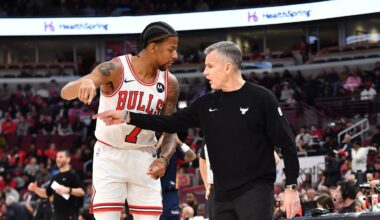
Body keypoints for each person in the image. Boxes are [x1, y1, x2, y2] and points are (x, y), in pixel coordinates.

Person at [93, 41, 301, 219]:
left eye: (210, 66)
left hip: (255, 191)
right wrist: (128, 116)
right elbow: (170, 122)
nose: (205, 72)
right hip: (220, 194)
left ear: (227, 67)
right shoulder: (205, 103)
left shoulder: (262, 98)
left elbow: (287, 144)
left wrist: (291, 187)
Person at [61, 21, 180, 220]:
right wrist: (88, 81)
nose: (175, 56)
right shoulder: (116, 68)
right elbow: (65, 93)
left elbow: (170, 130)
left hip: (145, 157)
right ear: (153, 47)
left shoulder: (170, 83)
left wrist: (164, 158)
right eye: (171, 49)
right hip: (110, 155)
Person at [28, 150, 85, 220]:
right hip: (56, 216)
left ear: (68, 159)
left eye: (61, 157)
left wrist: (68, 190)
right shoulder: (55, 177)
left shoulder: (73, 175)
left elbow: (81, 192)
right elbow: (47, 193)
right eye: (57, 157)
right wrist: (35, 189)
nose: (58, 159)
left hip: (69, 216)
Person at [160, 135, 196, 220]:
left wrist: (179, 142)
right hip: (153, 191)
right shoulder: (151, 147)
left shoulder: (174, 150)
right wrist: (162, 141)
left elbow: (192, 156)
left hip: (170, 192)